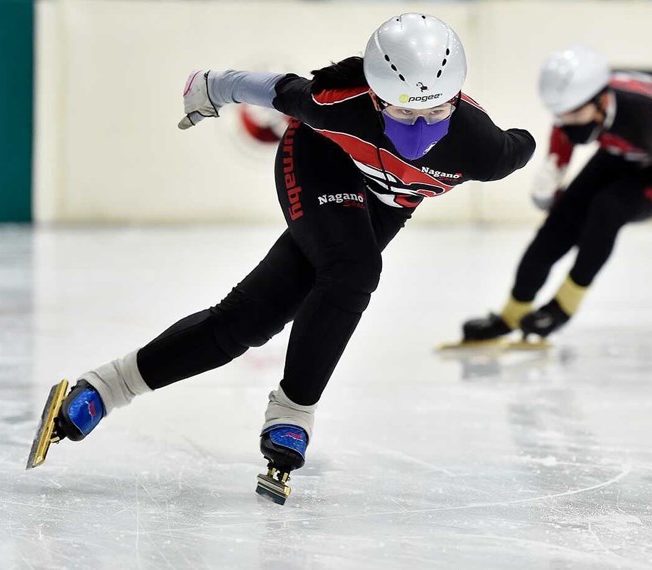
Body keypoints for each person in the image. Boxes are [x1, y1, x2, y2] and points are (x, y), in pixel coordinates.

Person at [29, 13, 535, 503]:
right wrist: (211, 85)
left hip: (381, 206)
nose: (420, 130)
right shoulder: (337, 104)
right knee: (355, 270)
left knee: (249, 320)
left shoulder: (484, 150)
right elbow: (274, 88)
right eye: (403, 111)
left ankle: (107, 386)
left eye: (435, 112)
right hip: (321, 162)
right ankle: (294, 410)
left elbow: (524, 145)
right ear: (377, 95)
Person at [461, 46, 652, 342]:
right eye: (560, 115)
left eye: (574, 114)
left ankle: (563, 306)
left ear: (602, 100)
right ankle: (511, 314)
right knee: (560, 222)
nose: (567, 122)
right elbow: (566, 131)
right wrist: (554, 171)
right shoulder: (580, 107)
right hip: (620, 153)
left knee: (608, 208)